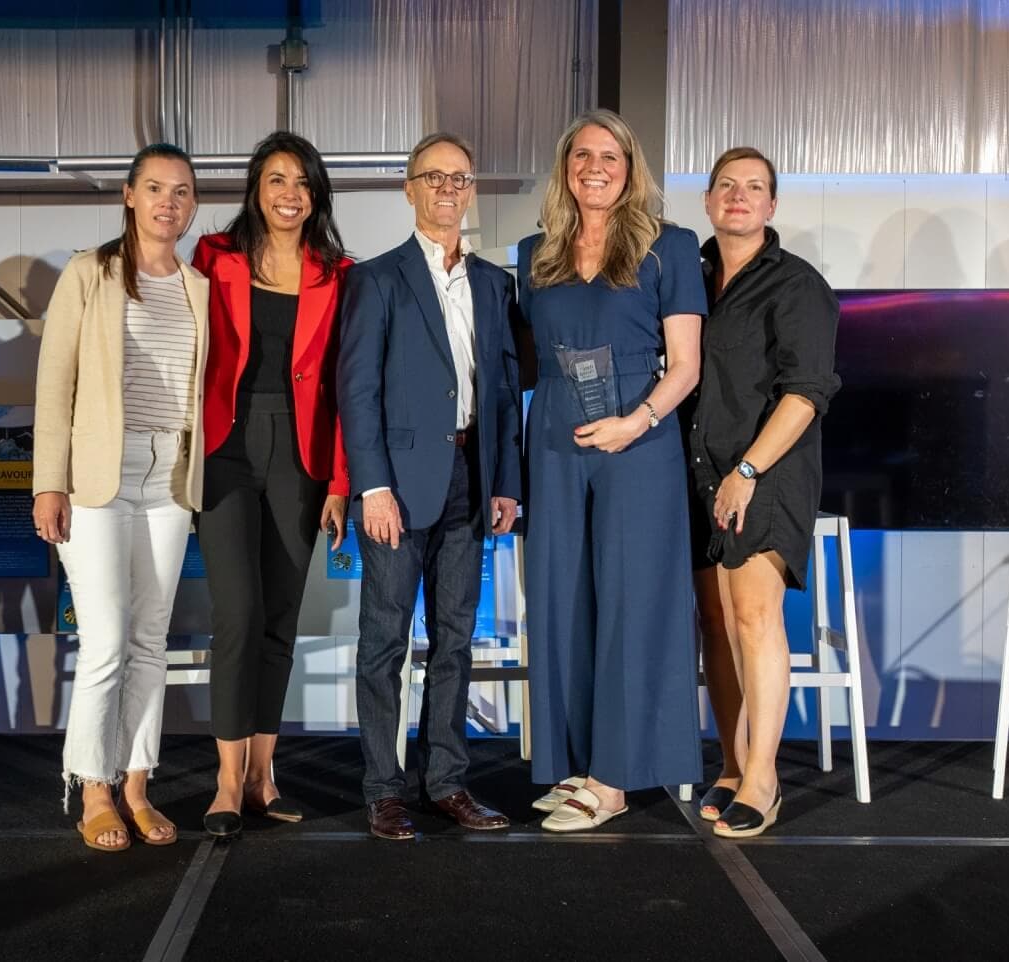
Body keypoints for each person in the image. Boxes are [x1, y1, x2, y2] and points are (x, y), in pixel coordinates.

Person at [517, 109, 705, 832]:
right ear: (566, 166)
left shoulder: (671, 247)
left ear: (631, 169)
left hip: (639, 436)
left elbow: (684, 366)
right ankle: (573, 763)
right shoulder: (537, 253)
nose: (595, 167)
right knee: (561, 598)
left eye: (611, 157)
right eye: (582, 155)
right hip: (557, 435)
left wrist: (637, 421)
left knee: (632, 602)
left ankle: (616, 779)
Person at [337, 132, 523, 841]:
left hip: (471, 482)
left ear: (472, 191)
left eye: (460, 178)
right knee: (384, 641)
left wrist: (506, 480)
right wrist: (371, 486)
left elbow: (503, 389)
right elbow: (356, 392)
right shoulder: (377, 279)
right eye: (434, 177)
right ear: (409, 189)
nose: (448, 189)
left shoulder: (494, 284)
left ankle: (445, 782)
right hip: (399, 487)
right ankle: (384, 790)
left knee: (454, 641)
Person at [32, 143, 209, 852]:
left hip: (171, 476)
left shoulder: (199, 285)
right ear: (130, 196)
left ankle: (137, 783)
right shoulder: (89, 274)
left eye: (184, 191)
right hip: (98, 473)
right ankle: (92, 787)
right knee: (105, 639)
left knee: (149, 640)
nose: (170, 202)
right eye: (157, 188)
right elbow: (54, 384)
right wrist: (49, 480)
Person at [190, 131, 353, 838]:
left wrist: (341, 483)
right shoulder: (213, 258)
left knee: (281, 621)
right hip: (225, 446)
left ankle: (264, 777)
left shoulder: (339, 272)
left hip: (303, 453)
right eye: (276, 179)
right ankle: (226, 784)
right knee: (238, 615)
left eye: (302, 182)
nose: (290, 194)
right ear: (255, 187)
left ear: (316, 195)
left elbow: (350, 388)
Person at [688, 147, 841, 838]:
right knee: (715, 625)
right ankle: (731, 761)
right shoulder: (687, 275)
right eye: (727, 185)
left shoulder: (798, 284)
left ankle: (763, 777)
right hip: (697, 472)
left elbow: (807, 392)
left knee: (754, 618)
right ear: (710, 200)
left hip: (764, 474)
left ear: (772, 206)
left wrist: (746, 472)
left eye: (754, 187)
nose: (739, 196)